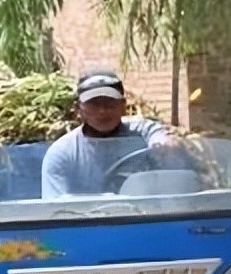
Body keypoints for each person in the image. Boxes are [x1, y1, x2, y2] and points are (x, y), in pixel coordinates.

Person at [40, 69, 180, 198]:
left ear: (123, 106)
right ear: (79, 109)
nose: (103, 111)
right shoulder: (62, 153)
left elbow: (160, 139)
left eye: (110, 103)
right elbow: (57, 207)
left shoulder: (142, 132)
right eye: (94, 104)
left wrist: (165, 145)